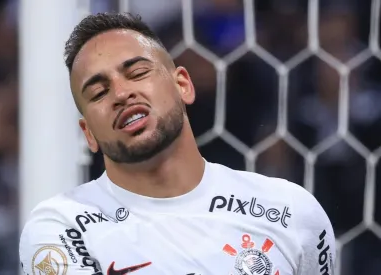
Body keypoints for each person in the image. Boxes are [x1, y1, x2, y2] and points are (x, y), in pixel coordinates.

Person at [19, 12, 336, 275]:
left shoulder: (291, 212)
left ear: (182, 84)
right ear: (88, 134)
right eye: (99, 93)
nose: (121, 94)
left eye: (138, 72)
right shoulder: (62, 227)